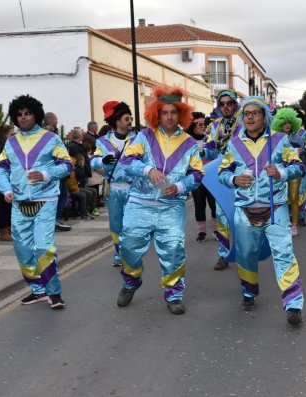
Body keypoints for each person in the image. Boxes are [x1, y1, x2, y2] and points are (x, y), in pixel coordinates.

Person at [116, 86, 204, 315]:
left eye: (174, 112)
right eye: (165, 112)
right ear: (157, 113)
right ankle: (131, 281)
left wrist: (180, 186)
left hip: (171, 207)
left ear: (181, 114)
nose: (169, 117)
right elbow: (126, 162)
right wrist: (148, 170)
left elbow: (197, 174)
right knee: (127, 247)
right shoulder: (144, 137)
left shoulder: (189, 143)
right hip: (139, 203)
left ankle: (174, 294)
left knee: (174, 250)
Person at [218, 96, 305, 324]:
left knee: (284, 254)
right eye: (246, 113)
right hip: (244, 210)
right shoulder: (234, 144)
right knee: (245, 255)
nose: (250, 116)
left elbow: (298, 166)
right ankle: (249, 292)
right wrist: (235, 179)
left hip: (276, 208)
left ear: (264, 116)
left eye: (255, 113)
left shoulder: (280, 141)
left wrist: (282, 173)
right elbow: (222, 173)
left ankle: (293, 304)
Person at [0, 95, 72, 309]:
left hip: (45, 200)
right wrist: (6, 189)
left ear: (35, 115)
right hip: (19, 203)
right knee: (23, 249)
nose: (23, 118)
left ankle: (54, 292)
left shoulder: (50, 139)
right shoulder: (10, 143)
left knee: (44, 248)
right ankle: (38, 290)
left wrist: (45, 174)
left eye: (27, 113)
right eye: (19, 114)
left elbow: (66, 165)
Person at [90, 101, 137, 266]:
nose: (130, 121)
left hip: (133, 188)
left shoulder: (137, 139)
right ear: (117, 121)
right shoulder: (102, 142)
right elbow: (93, 162)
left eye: (130, 118)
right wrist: (101, 160)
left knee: (131, 224)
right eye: (127, 118)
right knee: (116, 224)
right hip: (114, 189)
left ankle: (130, 253)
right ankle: (118, 254)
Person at [203, 90, 242, 270]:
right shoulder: (215, 126)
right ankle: (223, 255)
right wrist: (202, 151)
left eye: (229, 103)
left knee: (242, 217)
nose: (226, 107)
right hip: (221, 175)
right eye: (222, 104)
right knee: (221, 216)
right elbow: (211, 148)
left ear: (235, 104)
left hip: (242, 174)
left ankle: (244, 253)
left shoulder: (243, 123)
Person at [271, 108, 303, 236]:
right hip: (280, 172)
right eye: (284, 122)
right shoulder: (275, 139)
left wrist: (302, 152)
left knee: (294, 198)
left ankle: (294, 225)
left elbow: (305, 157)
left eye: (289, 122)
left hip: (294, 172)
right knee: (280, 199)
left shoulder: (297, 138)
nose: (287, 125)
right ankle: (282, 222)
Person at [186, 111, 216, 242]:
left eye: (205, 123)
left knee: (214, 204)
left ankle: (217, 230)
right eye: (200, 124)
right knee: (199, 204)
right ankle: (202, 232)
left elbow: (215, 154)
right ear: (193, 125)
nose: (203, 126)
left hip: (211, 176)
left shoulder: (210, 138)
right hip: (196, 178)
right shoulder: (187, 141)